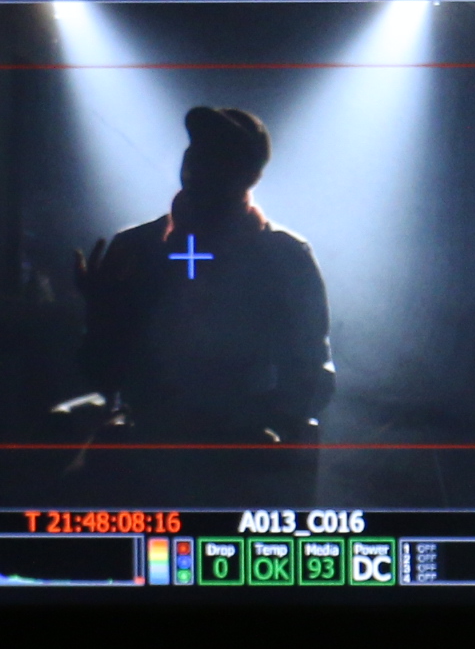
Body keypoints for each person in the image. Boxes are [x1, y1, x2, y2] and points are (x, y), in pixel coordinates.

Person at [65, 104, 334, 508]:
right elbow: (102, 374)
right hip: (149, 444)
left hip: (239, 455)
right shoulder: (136, 248)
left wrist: (274, 425)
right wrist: (101, 315)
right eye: (195, 150)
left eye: (218, 155)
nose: (197, 163)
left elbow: (312, 368)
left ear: (249, 175)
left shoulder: (285, 257)